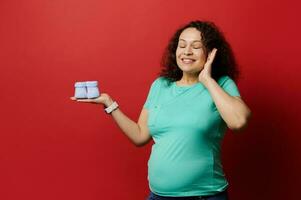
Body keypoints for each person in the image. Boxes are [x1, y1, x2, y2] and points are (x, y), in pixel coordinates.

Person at [70, 20, 251, 200]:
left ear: (211, 53)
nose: (187, 51)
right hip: (158, 196)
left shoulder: (221, 85)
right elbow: (140, 136)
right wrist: (109, 104)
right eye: (182, 45)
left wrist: (207, 80)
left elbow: (239, 122)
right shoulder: (160, 86)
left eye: (196, 46)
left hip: (203, 196)